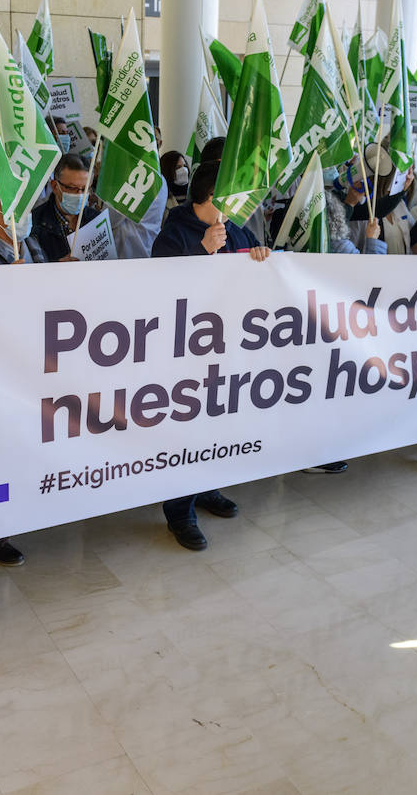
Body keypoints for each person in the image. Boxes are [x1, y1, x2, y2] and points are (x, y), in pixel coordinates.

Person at [150, 162, 269, 548]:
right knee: (185, 431)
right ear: (213, 197)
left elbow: (252, 262)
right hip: (186, 354)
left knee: (218, 425)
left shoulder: (234, 229)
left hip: (227, 347)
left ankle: (206, 487)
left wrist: (262, 255)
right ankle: (179, 511)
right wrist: (203, 251)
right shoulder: (173, 234)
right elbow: (160, 291)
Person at [31, 154, 99, 262]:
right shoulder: (34, 224)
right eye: (72, 188)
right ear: (54, 186)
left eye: (85, 188)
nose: (80, 194)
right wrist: (58, 267)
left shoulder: (97, 219)